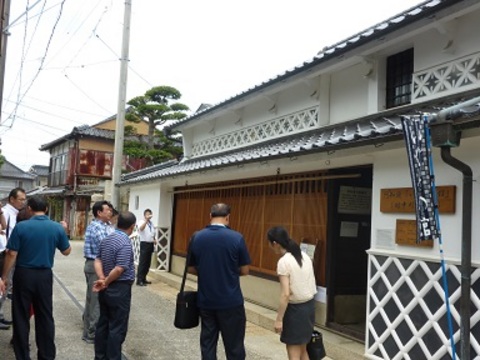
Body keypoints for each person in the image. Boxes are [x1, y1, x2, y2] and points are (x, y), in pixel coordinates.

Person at [0, 195, 71, 360]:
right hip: (44, 275)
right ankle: (46, 355)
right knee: (45, 315)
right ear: (46, 209)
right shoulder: (56, 227)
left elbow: (11, 253)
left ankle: (23, 355)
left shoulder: (21, 227)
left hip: (24, 274)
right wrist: (64, 232)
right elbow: (66, 251)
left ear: (29, 209)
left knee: (20, 315)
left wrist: (4, 276)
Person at [188, 203, 251, 360]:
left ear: (210, 216)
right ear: (228, 217)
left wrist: (207, 271)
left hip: (206, 300)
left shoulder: (197, 237)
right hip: (231, 302)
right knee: (234, 346)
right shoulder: (237, 238)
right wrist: (228, 271)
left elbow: (190, 268)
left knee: (208, 344)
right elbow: (245, 270)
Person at [266, 226, 317, 360]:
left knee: (293, 352)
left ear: (275, 244)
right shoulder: (304, 256)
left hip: (295, 310)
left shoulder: (284, 262)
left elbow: (285, 294)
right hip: (309, 307)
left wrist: (279, 320)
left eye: (269, 243)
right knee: (303, 350)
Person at [92, 211, 136, 360]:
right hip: (119, 288)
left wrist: (102, 278)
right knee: (117, 327)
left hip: (106, 288)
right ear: (132, 226)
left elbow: (97, 260)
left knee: (103, 323)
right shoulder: (125, 243)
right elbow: (119, 268)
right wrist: (106, 281)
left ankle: (100, 356)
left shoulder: (106, 239)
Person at [82, 200, 114, 344]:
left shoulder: (106, 225)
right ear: (99, 213)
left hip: (99, 265)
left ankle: (89, 329)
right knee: (95, 302)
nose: (110, 212)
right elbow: (107, 245)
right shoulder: (96, 227)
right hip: (95, 265)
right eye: (107, 210)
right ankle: (91, 333)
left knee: (93, 299)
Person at [0, 187, 26, 330]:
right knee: (3, 284)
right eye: (20, 199)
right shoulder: (6, 213)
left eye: (24, 199)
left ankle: (0, 314)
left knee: (6, 285)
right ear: (11, 199)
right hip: (5, 254)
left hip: (11, 254)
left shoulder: (16, 214)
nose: (23, 202)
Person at [136, 208, 156, 286]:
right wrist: (146, 221)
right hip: (144, 243)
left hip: (150, 244)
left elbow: (152, 233)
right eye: (147, 214)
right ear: (144, 215)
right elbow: (141, 228)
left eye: (150, 214)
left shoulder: (151, 223)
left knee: (148, 263)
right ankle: (139, 280)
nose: (149, 215)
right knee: (143, 262)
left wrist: (154, 239)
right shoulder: (142, 222)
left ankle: (144, 278)